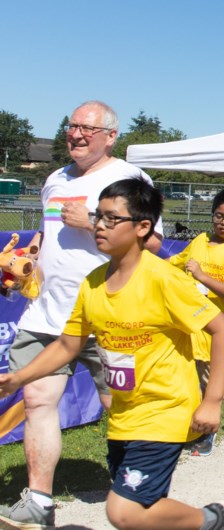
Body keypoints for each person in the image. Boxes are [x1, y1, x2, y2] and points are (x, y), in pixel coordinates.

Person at [0, 178, 224, 530]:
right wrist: (17, 378)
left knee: (123, 511)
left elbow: (221, 328)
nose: (99, 226)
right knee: (144, 508)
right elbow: (67, 345)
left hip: (164, 412)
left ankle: (213, 519)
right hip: (123, 415)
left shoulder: (163, 279)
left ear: (142, 227)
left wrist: (213, 398)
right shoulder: (93, 282)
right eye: (98, 217)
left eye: (112, 219)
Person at [0, 101, 165, 529]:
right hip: (47, 316)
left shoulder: (130, 180)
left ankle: (139, 491)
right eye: (71, 126)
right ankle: (39, 500)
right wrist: (27, 264)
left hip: (109, 313)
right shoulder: (54, 179)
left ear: (110, 136)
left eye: (86, 129)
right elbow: (50, 236)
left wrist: (92, 219)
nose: (75, 134)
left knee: (120, 404)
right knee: (37, 400)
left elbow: (153, 244)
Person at [168, 188, 224, 457]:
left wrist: (203, 276)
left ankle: (207, 434)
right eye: (219, 215)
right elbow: (173, 264)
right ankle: (183, 430)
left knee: (209, 387)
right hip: (187, 328)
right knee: (185, 384)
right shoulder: (199, 241)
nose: (223, 222)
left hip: (217, 335)